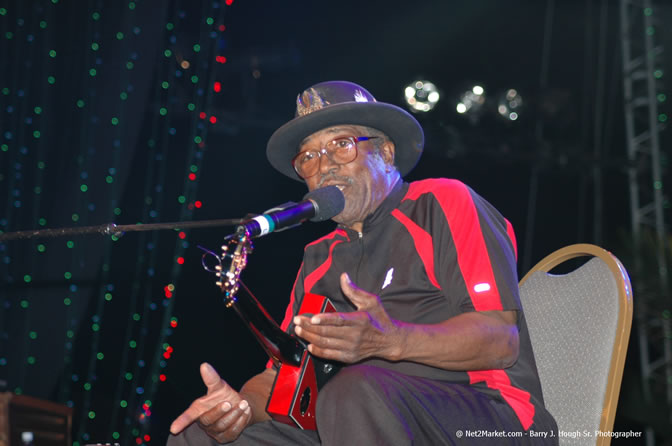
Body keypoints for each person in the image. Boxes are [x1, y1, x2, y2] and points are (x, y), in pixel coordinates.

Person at [167, 81, 558, 445]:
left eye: (341, 145)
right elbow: (284, 375)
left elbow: (499, 341)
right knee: (194, 438)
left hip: (485, 413)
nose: (325, 166)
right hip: (355, 418)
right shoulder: (318, 257)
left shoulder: (442, 203)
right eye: (309, 157)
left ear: (386, 152)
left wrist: (391, 339)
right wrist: (238, 409)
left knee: (352, 391)